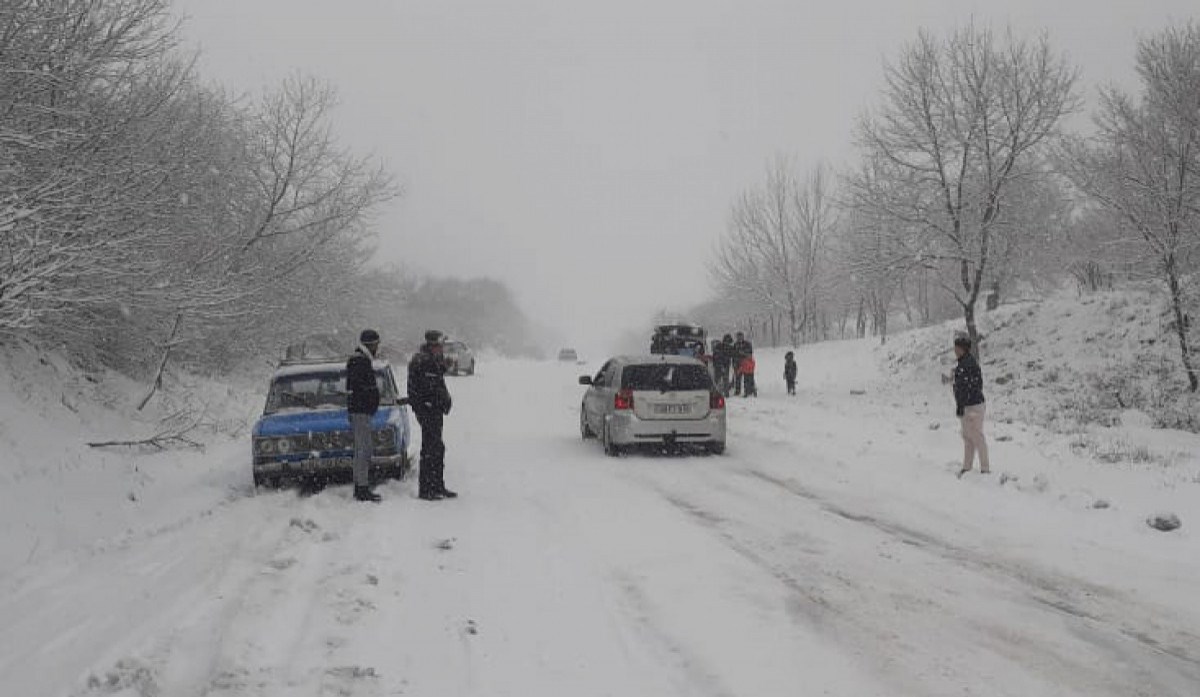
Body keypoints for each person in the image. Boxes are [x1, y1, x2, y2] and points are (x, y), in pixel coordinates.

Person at [409, 330, 456, 500]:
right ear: (433, 345)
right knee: (430, 449)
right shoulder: (423, 360)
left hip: (433, 411)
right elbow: (429, 388)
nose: (442, 349)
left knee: (437, 448)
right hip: (429, 411)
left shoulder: (428, 359)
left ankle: (437, 485)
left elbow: (434, 377)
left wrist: (444, 366)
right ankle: (427, 489)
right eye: (440, 345)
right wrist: (434, 403)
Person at [346, 329, 382, 502]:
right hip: (360, 412)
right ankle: (361, 487)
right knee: (362, 450)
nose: (377, 348)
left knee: (364, 449)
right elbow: (362, 389)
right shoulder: (360, 361)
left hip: (362, 411)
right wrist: (371, 399)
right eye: (376, 344)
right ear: (371, 344)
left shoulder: (360, 360)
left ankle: (363, 483)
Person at [952, 336, 989, 477]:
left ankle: (985, 468)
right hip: (967, 405)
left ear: (963, 349)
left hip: (974, 406)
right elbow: (961, 386)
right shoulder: (963, 364)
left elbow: (974, 385)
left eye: (957, 347)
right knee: (968, 437)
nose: (955, 350)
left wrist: (964, 400)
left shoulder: (968, 364)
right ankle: (967, 467)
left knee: (977, 437)